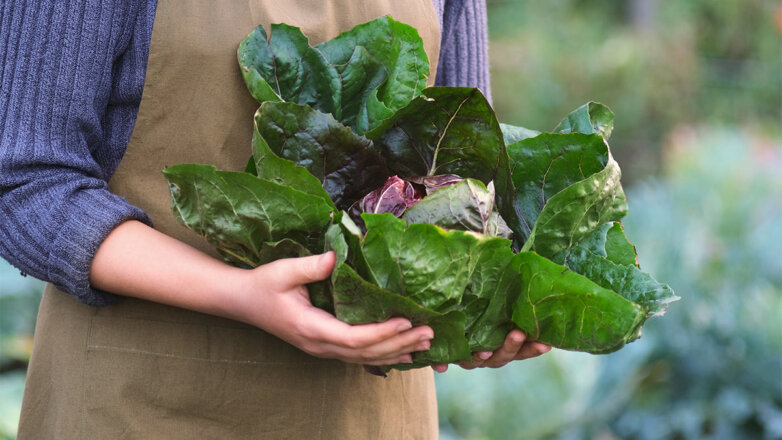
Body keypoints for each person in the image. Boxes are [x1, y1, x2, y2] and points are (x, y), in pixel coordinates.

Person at [0, 0, 550, 438]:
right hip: (144, 406)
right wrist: (236, 291)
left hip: (373, 418)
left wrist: (480, 316)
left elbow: (462, 164)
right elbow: (24, 180)